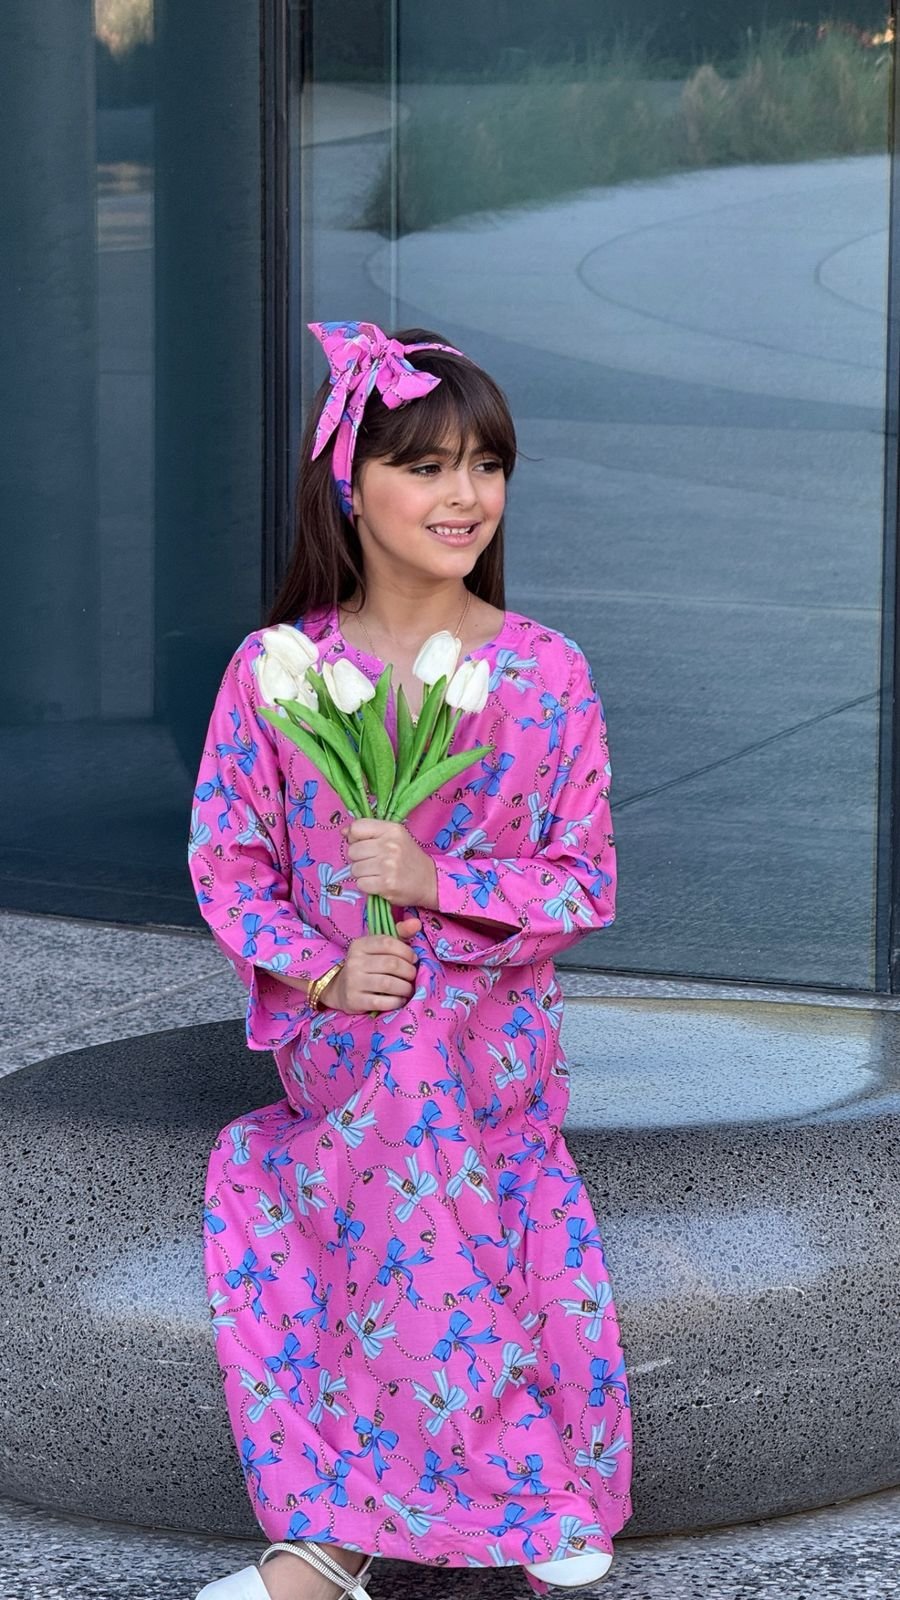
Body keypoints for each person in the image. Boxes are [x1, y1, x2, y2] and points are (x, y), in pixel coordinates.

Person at [188, 321, 633, 1600]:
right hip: (346, 1028)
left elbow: (585, 879)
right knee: (399, 1052)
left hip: (495, 1041)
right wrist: (327, 971)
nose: (466, 495)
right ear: (350, 484)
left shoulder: (545, 672)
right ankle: (527, 1488)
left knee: (423, 1061)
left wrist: (440, 886)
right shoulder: (280, 673)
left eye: (487, 465)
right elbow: (228, 864)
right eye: (427, 466)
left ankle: (329, 1552)